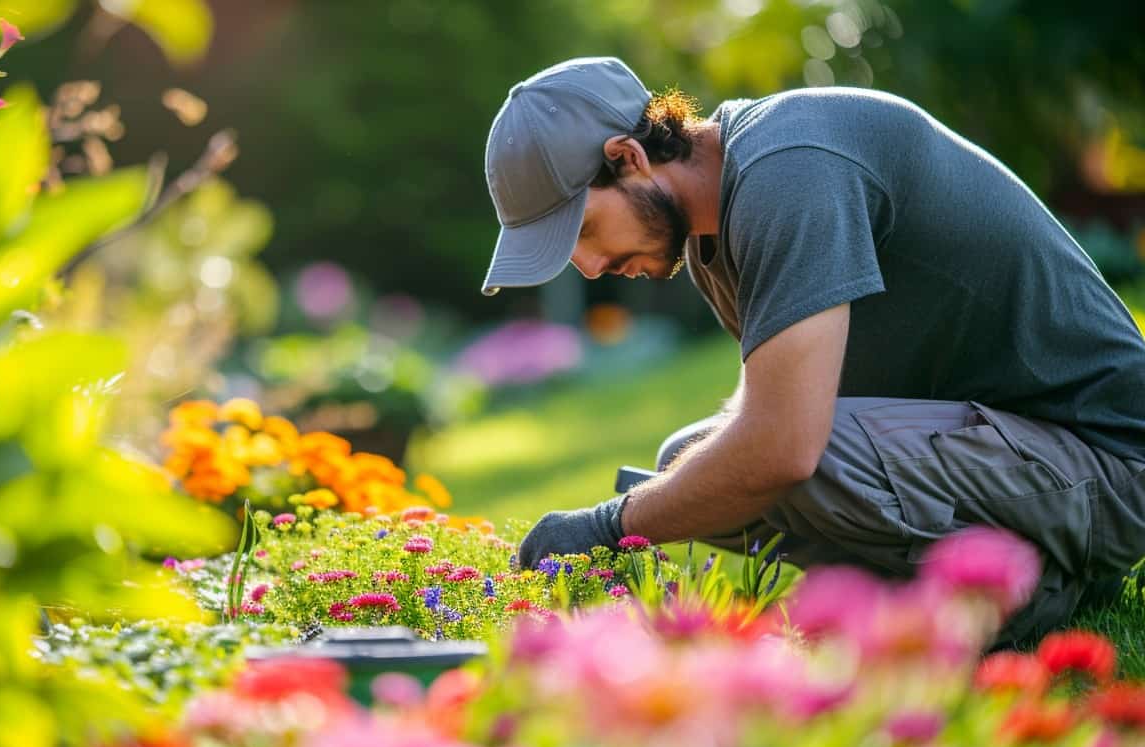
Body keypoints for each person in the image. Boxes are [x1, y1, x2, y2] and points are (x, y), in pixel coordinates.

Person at [485, 56, 1145, 643]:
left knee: (778, 459)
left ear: (628, 158)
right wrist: (659, 502)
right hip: (1016, 451)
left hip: (1109, 463)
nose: (592, 268)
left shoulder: (789, 170)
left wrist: (607, 525)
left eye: (587, 231)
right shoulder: (716, 231)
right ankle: (1027, 582)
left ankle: (1019, 594)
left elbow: (782, 447)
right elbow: (766, 424)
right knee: (687, 465)